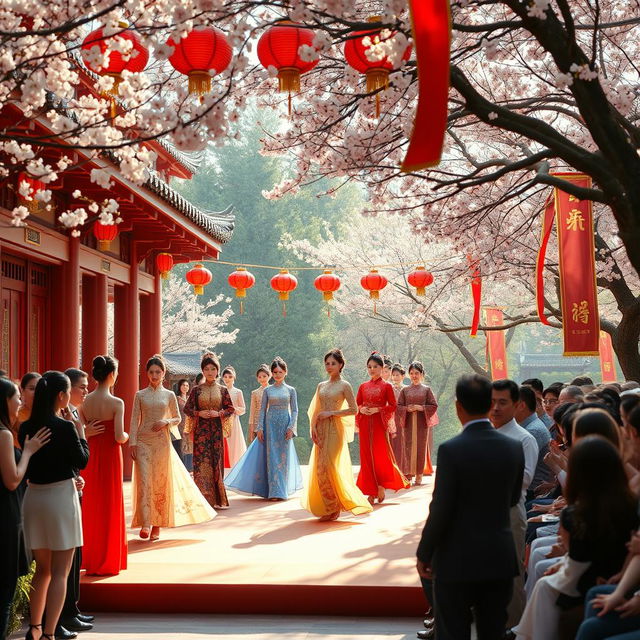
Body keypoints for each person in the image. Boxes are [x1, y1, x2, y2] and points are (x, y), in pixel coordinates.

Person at [417, 374, 524, 640]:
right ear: (490, 404)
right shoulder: (513, 447)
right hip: (499, 555)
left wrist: (425, 551)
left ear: (457, 407)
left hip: (457, 558)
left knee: (453, 631)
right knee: (493, 631)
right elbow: (512, 499)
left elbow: (441, 507)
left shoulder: (452, 449)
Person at [514, 436, 639, 640]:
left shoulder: (580, 513)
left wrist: (565, 559)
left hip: (592, 574)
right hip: (606, 569)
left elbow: (579, 562)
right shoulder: (626, 500)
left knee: (545, 583)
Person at [19, 371, 90, 640]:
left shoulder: (26, 427)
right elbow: (82, 460)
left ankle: (35, 628)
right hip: (60, 498)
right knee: (61, 572)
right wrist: (81, 432)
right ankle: (49, 632)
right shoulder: (66, 427)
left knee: (42, 570)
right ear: (61, 396)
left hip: (34, 497)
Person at [131, 355, 215, 538]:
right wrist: (133, 443)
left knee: (160, 482)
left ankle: (157, 524)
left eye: (158, 372)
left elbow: (178, 418)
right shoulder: (140, 395)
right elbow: (133, 420)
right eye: (151, 372)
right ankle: (145, 522)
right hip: (144, 440)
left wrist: (165, 421)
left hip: (162, 442)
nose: (154, 375)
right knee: (144, 482)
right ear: (147, 373)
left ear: (163, 374)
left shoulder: (169, 395)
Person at [0, 377, 49, 640]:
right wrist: (28, 451)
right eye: (15, 397)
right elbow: (12, 479)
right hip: (6, 516)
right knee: (4, 593)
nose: (19, 400)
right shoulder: (4, 434)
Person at [490, 379, 539, 630]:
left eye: (502, 402)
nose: (495, 408)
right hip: (482, 515)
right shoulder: (485, 435)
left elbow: (525, 480)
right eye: (492, 402)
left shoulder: (524, 439)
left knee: (512, 575)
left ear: (517, 404)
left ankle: (513, 629)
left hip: (509, 512)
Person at [302, 349, 372, 521]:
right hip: (321, 429)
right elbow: (315, 410)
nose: (329, 366)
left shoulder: (345, 385)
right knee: (320, 468)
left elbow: (354, 410)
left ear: (341, 365)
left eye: (333, 363)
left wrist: (332, 413)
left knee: (331, 465)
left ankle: (335, 507)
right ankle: (328, 506)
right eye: (327, 363)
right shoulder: (321, 385)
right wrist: (313, 428)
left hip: (335, 430)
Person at [57, 367, 100, 633]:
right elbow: (76, 453)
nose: (86, 390)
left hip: (74, 484)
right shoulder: (62, 417)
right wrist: (82, 431)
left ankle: (73, 608)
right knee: (67, 555)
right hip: (62, 488)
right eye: (82, 386)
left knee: (77, 550)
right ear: (67, 389)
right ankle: (64, 613)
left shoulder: (73, 413)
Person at [225, 357, 303, 500]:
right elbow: (262, 410)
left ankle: (282, 490)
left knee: (283, 459)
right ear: (272, 373)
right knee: (272, 458)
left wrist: (292, 427)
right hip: (270, 425)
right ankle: (274, 492)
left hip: (285, 425)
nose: (277, 375)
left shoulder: (291, 390)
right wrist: (259, 428)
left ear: (285, 372)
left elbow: (295, 410)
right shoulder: (268, 390)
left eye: (280, 372)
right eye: (275, 372)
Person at [78, 356, 128, 574]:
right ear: (112, 375)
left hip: (89, 452)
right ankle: (107, 559)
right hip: (109, 456)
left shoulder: (84, 402)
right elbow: (119, 436)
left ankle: (88, 557)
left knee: (90, 503)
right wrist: (127, 435)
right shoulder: (117, 403)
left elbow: (80, 429)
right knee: (109, 503)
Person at [355, 353, 408, 505]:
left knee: (380, 456)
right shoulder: (363, 386)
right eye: (369, 367)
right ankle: (370, 491)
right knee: (366, 457)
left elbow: (392, 405)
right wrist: (362, 409)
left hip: (379, 424)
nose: (372, 369)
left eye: (375, 366)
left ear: (382, 368)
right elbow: (357, 404)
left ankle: (380, 486)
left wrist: (378, 410)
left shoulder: (387, 386)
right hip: (365, 424)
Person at [184, 353, 234, 509]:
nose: (210, 372)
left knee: (216, 462)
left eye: (213, 369)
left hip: (216, 432)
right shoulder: (196, 390)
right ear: (203, 371)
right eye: (207, 369)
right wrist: (199, 413)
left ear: (217, 370)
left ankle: (218, 499)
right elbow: (187, 408)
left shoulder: (223, 390)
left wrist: (218, 413)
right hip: (201, 433)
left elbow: (230, 409)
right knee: (201, 463)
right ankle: (203, 499)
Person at [396, 362, 438, 486]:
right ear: (409, 375)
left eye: (417, 373)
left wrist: (421, 408)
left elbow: (434, 405)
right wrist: (406, 409)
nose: (414, 376)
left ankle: (419, 474)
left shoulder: (426, 390)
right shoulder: (405, 390)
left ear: (422, 374)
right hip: (408, 422)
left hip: (421, 423)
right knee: (408, 446)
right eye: (412, 373)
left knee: (420, 447)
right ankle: (409, 473)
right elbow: (398, 406)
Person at [515, 385, 553, 498]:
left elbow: (519, 471)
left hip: (532, 492)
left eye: (504, 403)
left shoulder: (533, 431)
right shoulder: (528, 426)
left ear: (521, 405)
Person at [221, 366, 247, 468]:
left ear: (234, 378)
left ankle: (235, 467)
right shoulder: (220, 390)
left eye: (230, 376)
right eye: (225, 376)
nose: (227, 379)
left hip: (234, 421)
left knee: (234, 444)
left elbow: (243, 408)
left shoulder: (238, 392)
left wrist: (234, 409)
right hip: (222, 421)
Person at [390, 363, 407, 472]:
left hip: (403, 417)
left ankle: (404, 470)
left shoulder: (406, 389)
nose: (395, 377)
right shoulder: (389, 387)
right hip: (391, 418)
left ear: (403, 376)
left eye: (397, 375)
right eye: (394, 375)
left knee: (403, 443)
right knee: (392, 443)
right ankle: (392, 470)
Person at [248, 364, 270, 444]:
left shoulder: (273, 390)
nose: (262, 379)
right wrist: (251, 426)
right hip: (257, 423)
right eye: (259, 377)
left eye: (264, 376)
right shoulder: (255, 393)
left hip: (270, 422)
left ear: (269, 376)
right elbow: (252, 411)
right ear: (257, 379)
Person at [174, 379, 192, 471]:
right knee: (181, 446)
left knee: (189, 446)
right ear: (179, 387)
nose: (185, 387)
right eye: (183, 385)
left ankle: (190, 468)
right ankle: (181, 468)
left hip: (189, 425)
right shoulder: (176, 399)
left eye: (187, 385)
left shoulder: (190, 398)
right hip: (179, 425)